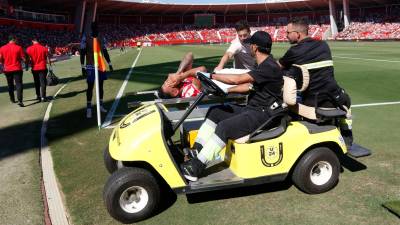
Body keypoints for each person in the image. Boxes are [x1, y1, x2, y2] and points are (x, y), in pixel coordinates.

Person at [181, 31, 284, 181]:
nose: (249, 47)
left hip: (264, 114)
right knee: (216, 112)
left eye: (250, 45)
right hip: (254, 108)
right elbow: (248, 85)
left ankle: (196, 167)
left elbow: (238, 80)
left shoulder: (268, 66)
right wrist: (226, 90)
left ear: (254, 47)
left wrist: (210, 76)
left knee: (224, 127)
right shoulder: (262, 64)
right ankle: (197, 150)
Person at [278, 18, 353, 148]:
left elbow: (278, 66)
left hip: (313, 101)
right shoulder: (324, 45)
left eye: (288, 32)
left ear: (297, 34)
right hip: (335, 98)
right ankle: (347, 134)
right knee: (347, 100)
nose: (286, 35)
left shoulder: (294, 51)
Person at [80, 22, 113, 118]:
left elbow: (105, 50)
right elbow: (82, 52)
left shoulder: (101, 37)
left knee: (100, 86)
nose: (96, 29)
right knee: (90, 87)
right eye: (94, 27)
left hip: (100, 65)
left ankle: (100, 105)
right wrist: (82, 67)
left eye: (97, 27)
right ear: (91, 28)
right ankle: (89, 108)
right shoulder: (85, 37)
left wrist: (109, 63)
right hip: (90, 65)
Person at [0, 35, 26, 107]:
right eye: (16, 39)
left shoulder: (2, 48)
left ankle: (12, 99)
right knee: (19, 84)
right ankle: (20, 100)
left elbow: (1, 60)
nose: (17, 40)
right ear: (13, 39)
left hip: (7, 69)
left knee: (10, 85)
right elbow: (24, 59)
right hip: (17, 68)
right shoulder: (18, 47)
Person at [26, 37, 51, 102]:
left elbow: (28, 59)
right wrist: (50, 65)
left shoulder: (29, 49)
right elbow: (48, 58)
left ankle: (38, 95)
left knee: (36, 82)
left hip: (34, 68)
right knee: (43, 82)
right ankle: (43, 96)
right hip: (42, 67)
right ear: (39, 41)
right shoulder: (44, 48)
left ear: (32, 41)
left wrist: (27, 66)